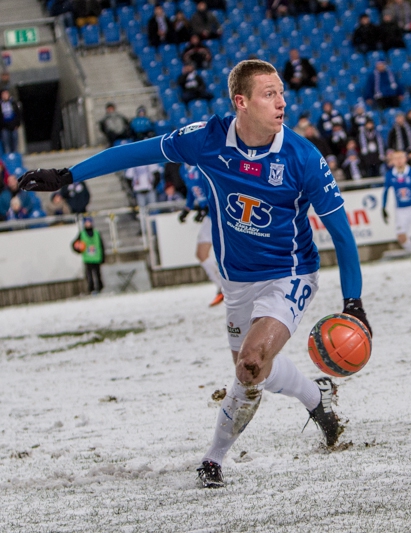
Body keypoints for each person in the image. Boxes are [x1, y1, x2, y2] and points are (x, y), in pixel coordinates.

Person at [18, 59, 370, 488]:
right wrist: (69, 174)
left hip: (289, 274)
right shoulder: (206, 140)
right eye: (269, 94)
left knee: (251, 362)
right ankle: (318, 398)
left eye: (281, 92)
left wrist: (354, 302)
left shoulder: (303, 158)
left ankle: (213, 460)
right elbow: (136, 151)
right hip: (236, 280)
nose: (282, 102)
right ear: (241, 102)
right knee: (254, 367)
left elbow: (343, 235)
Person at [178, 163, 224, 306]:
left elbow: (214, 188)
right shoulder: (183, 169)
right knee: (201, 253)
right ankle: (222, 286)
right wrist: (187, 208)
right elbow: (192, 191)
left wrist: (205, 209)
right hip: (209, 216)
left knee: (225, 252)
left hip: (218, 214)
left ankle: (226, 286)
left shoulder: (201, 165)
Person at [71, 216, 105, 293]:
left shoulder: (97, 233)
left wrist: (103, 257)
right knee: (89, 275)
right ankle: (91, 289)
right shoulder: (82, 234)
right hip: (87, 258)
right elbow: (74, 245)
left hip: (97, 257)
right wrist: (78, 250)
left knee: (98, 274)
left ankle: (100, 288)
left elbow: (101, 245)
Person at [0, 89, 22, 155]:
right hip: (4, 128)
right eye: (4, 94)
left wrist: (17, 124)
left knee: (15, 145)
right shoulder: (1, 104)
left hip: (13, 127)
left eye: (6, 94)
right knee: (7, 146)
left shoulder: (13, 103)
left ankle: (15, 161)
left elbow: (18, 114)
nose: (5, 96)